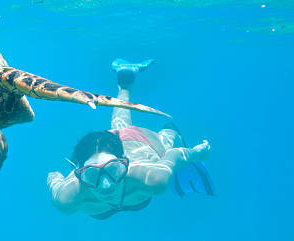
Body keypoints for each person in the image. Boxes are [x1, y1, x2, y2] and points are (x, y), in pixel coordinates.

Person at [47, 59, 213, 219]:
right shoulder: (66, 200)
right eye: (91, 175)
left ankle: (128, 86)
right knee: (119, 126)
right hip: (107, 144)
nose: (106, 185)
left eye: (113, 169)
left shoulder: (154, 177)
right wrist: (56, 178)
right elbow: (53, 177)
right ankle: (125, 82)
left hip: (140, 143)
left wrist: (196, 154)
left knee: (169, 138)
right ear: (79, 174)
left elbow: (175, 154)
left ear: (125, 161)